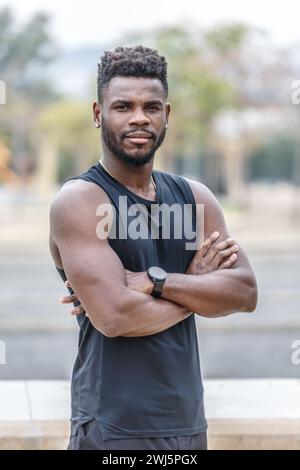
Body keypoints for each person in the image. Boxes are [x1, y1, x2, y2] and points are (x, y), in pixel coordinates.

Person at [49, 45, 257, 450]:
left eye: (152, 106)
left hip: (187, 422)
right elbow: (115, 316)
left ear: (168, 115)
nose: (139, 118)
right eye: (123, 106)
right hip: (111, 427)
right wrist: (196, 288)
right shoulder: (81, 201)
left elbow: (245, 293)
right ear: (98, 114)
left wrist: (154, 280)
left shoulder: (196, 198)